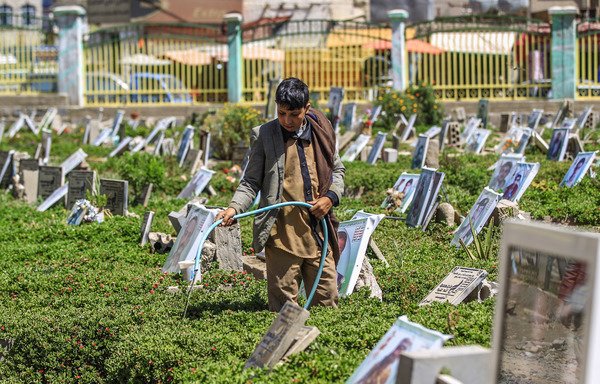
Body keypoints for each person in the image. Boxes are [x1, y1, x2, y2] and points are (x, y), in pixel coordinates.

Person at [216, 77, 345, 312]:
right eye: (281, 112)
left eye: (294, 114)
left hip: (318, 232)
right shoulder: (265, 136)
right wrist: (234, 208)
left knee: (327, 300)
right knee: (284, 308)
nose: (287, 120)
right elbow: (251, 181)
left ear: (306, 108)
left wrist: (330, 198)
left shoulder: (321, 132)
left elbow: (337, 170)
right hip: (282, 235)